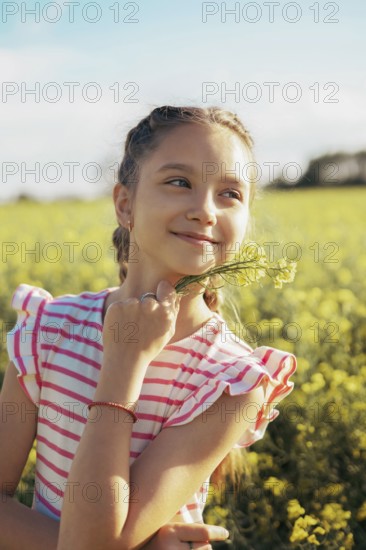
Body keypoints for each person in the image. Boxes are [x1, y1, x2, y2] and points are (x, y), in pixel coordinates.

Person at [0, 105, 297, 549]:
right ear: (125, 204)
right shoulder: (49, 327)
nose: (205, 210)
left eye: (230, 194)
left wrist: (124, 366)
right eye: (179, 182)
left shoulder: (232, 381)